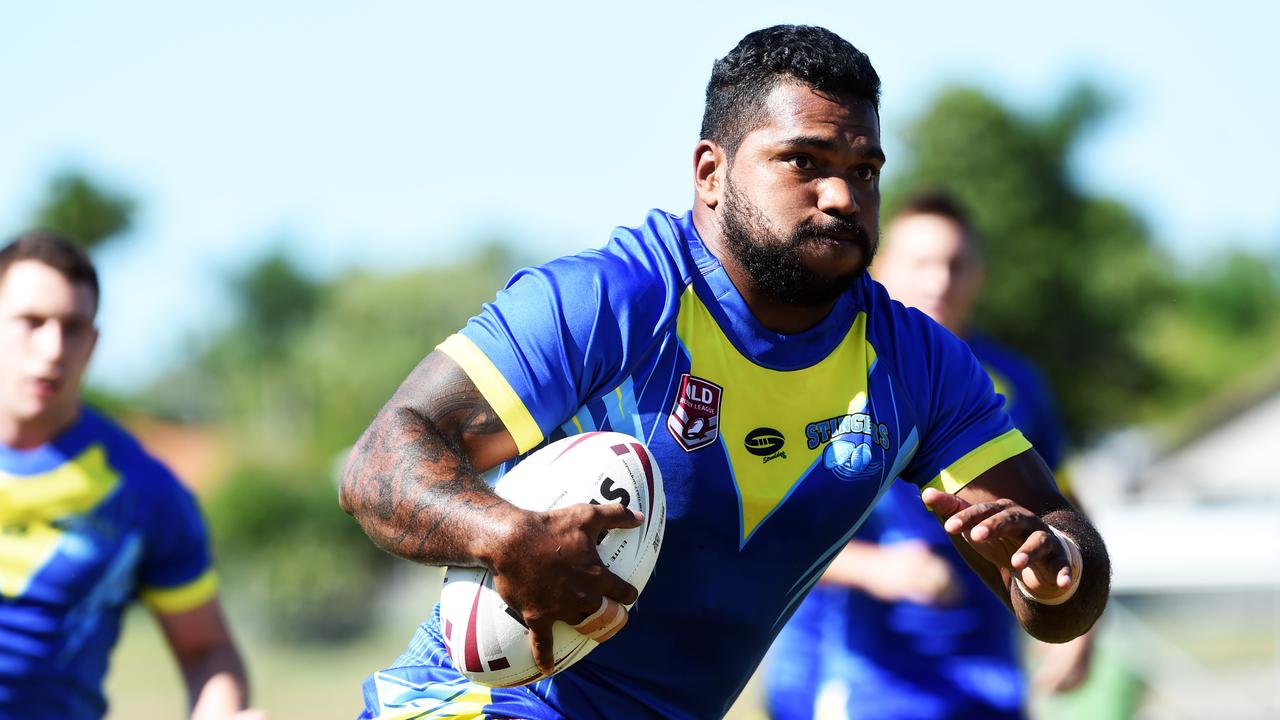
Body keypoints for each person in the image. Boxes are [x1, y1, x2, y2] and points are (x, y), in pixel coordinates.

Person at [340, 25, 1110, 720]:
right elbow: (380, 464)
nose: (843, 196)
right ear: (710, 172)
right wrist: (506, 535)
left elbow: (1065, 562)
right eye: (803, 162)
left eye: (865, 169)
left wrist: (1055, 575)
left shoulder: (920, 367)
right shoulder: (608, 301)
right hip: (478, 705)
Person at [766, 193, 1094, 720]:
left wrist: (1081, 621)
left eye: (956, 264)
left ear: (979, 274)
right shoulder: (824, 373)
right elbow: (767, 530)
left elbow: (1063, 509)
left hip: (986, 682)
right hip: (859, 683)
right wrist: (876, 569)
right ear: (883, 264)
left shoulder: (1018, 383)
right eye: (922, 263)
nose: (941, 280)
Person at [0, 231, 262, 720]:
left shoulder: (144, 491)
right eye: (31, 322)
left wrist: (220, 711)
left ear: (93, 342)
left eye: (73, 327)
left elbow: (207, 651)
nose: (53, 348)